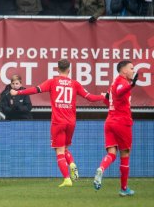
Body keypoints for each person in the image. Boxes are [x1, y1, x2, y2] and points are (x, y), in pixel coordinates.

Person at [10, 59, 105, 187]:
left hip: (58, 122)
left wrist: (18, 92)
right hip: (71, 122)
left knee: (59, 151)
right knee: (65, 148)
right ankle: (71, 164)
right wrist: (104, 96)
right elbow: (90, 97)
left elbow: (35, 90)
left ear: (57, 69)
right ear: (69, 70)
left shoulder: (52, 82)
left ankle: (67, 179)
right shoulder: (74, 84)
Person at [93, 60, 139, 196]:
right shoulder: (123, 83)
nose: (133, 71)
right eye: (131, 68)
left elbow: (107, 100)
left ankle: (101, 168)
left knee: (111, 154)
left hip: (110, 121)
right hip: (122, 123)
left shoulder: (114, 82)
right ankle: (124, 189)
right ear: (124, 71)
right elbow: (120, 92)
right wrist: (131, 85)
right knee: (124, 154)